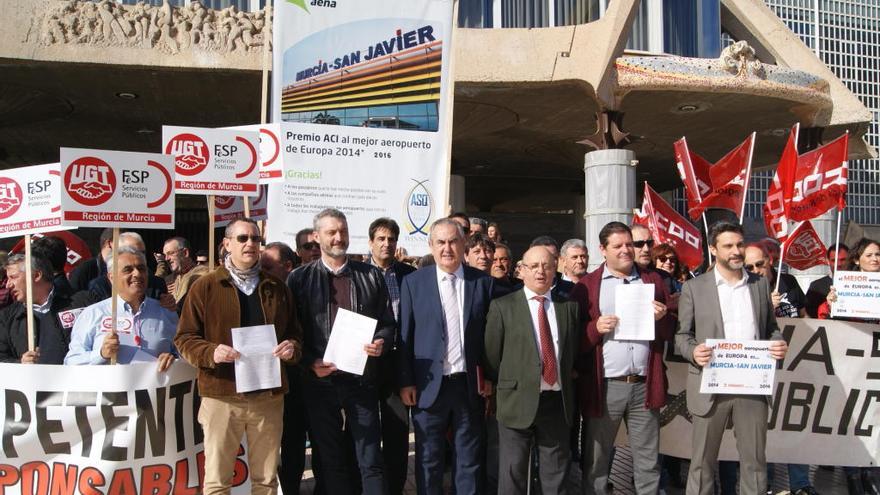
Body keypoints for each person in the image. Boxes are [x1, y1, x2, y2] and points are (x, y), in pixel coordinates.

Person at [175, 218, 302, 495]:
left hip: (268, 397)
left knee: (266, 480)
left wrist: (291, 347)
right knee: (218, 481)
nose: (250, 244)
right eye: (242, 238)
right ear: (227, 244)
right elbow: (184, 339)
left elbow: (296, 334)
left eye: (255, 239)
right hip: (221, 395)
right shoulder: (205, 287)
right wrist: (211, 352)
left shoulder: (277, 288)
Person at [675, 221, 788, 495]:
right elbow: (682, 336)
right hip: (710, 384)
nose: (736, 251)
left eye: (739, 244)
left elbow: (771, 329)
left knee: (755, 463)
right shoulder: (694, 288)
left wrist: (777, 343)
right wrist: (693, 351)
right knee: (702, 464)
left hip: (751, 386)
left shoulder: (760, 285)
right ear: (714, 250)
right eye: (728, 246)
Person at [287, 208, 394, 495]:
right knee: (330, 460)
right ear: (316, 236)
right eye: (332, 232)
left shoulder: (371, 275)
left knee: (370, 458)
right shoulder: (299, 279)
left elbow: (386, 323)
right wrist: (310, 362)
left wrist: (381, 342)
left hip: (361, 381)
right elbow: (291, 332)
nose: (338, 237)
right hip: (320, 382)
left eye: (343, 231)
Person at [571, 221, 672, 495]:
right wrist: (595, 329)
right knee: (596, 461)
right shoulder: (586, 287)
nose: (627, 250)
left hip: (644, 384)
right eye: (618, 246)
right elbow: (571, 339)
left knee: (648, 463)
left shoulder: (653, 280)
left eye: (630, 244)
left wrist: (662, 318)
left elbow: (669, 331)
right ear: (603, 250)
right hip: (605, 386)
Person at [398, 218, 495, 495]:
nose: (447, 248)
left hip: (468, 386)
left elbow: (490, 337)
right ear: (431, 246)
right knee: (428, 459)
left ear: (464, 244)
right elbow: (405, 336)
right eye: (440, 242)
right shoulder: (413, 283)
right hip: (428, 387)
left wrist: (489, 378)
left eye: (453, 241)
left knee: (469, 459)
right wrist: (406, 381)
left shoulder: (482, 283)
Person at [484, 246, 581, 494]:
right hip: (516, 400)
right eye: (534, 266)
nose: (541, 271)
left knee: (556, 475)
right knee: (513, 473)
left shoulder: (568, 307)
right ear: (522, 270)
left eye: (547, 266)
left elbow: (572, 352)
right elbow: (492, 356)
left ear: (555, 270)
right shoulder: (502, 306)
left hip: (556, 402)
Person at [821, 237, 880, 495]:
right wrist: (830, 303)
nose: (875, 260)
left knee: (874, 420)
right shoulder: (844, 285)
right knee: (852, 419)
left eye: (878, 255)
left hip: (876, 363)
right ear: (857, 259)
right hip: (852, 363)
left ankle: (870, 473)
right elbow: (825, 318)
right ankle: (853, 476)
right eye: (869, 255)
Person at [65, 247, 179, 370]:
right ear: (112, 277)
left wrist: (173, 358)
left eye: (141, 269)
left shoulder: (166, 312)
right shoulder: (93, 314)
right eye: (128, 270)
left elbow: (184, 354)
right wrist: (101, 354)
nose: (137, 274)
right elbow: (71, 362)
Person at [367, 217, 417, 495]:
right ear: (371, 242)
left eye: (392, 239)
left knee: (397, 432)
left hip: (399, 361)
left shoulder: (410, 275)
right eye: (381, 239)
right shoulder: (358, 273)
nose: (387, 244)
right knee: (365, 431)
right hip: (366, 360)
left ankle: (395, 487)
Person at [0, 253, 87, 364]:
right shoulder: (6, 318)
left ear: (36, 275)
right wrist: (20, 363)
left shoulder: (81, 303)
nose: (8, 285)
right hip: (30, 380)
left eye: (13, 277)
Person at [744, 243, 805, 318]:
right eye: (749, 267)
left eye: (759, 264)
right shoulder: (745, 290)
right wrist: (768, 307)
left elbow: (803, 313)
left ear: (770, 260)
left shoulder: (788, 281)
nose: (756, 270)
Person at [160, 236, 208, 304]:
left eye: (171, 253)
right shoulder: (168, 280)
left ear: (185, 253)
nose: (166, 259)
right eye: (165, 255)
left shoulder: (202, 275)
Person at [805, 243, 849, 318]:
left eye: (843, 260)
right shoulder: (816, 287)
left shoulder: (861, 283)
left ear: (850, 260)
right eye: (833, 260)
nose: (838, 264)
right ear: (828, 261)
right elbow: (810, 317)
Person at [69, 227, 113, 292]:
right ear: (109, 244)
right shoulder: (84, 270)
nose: (128, 248)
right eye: (123, 242)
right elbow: (75, 299)